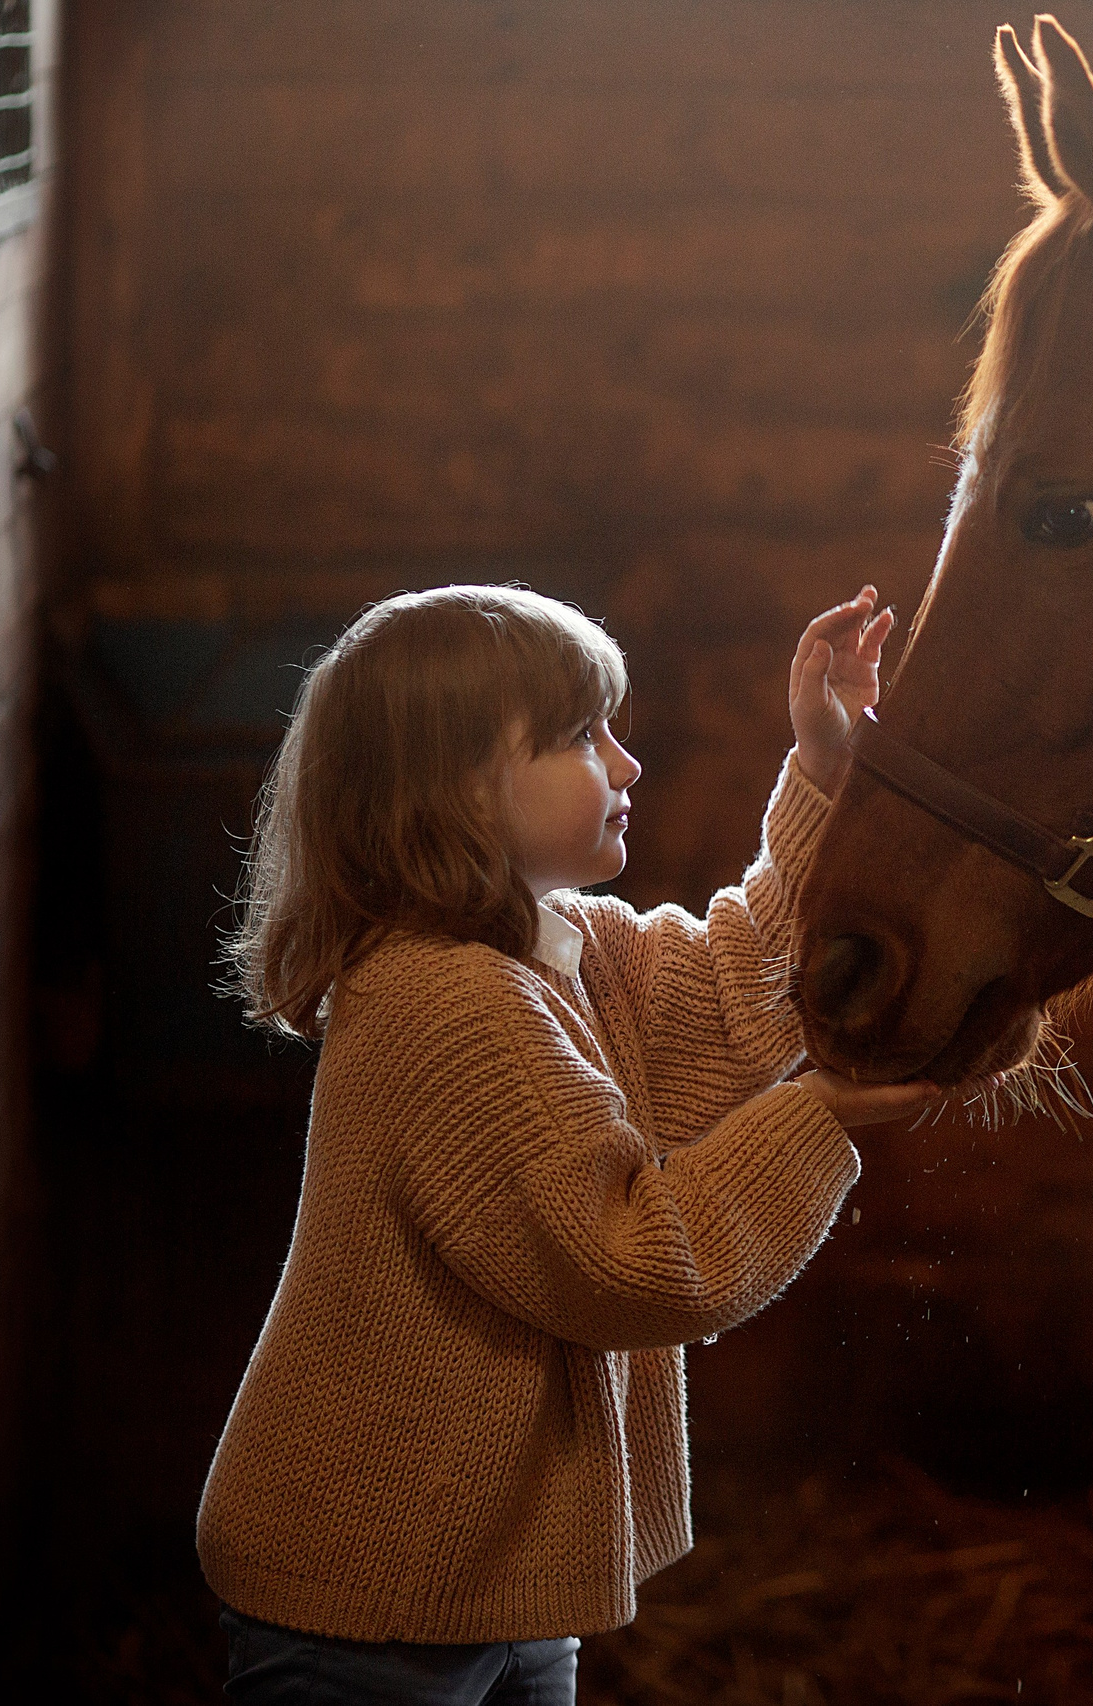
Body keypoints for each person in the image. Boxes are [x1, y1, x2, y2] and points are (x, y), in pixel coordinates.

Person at [197, 582, 937, 1703]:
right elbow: (627, 1258)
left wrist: (827, 775)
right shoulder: (441, 1003)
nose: (625, 765)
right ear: (454, 790)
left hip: (498, 1575)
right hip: (365, 1607)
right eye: (578, 737)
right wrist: (817, 1113)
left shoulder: (553, 947)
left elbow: (731, 988)